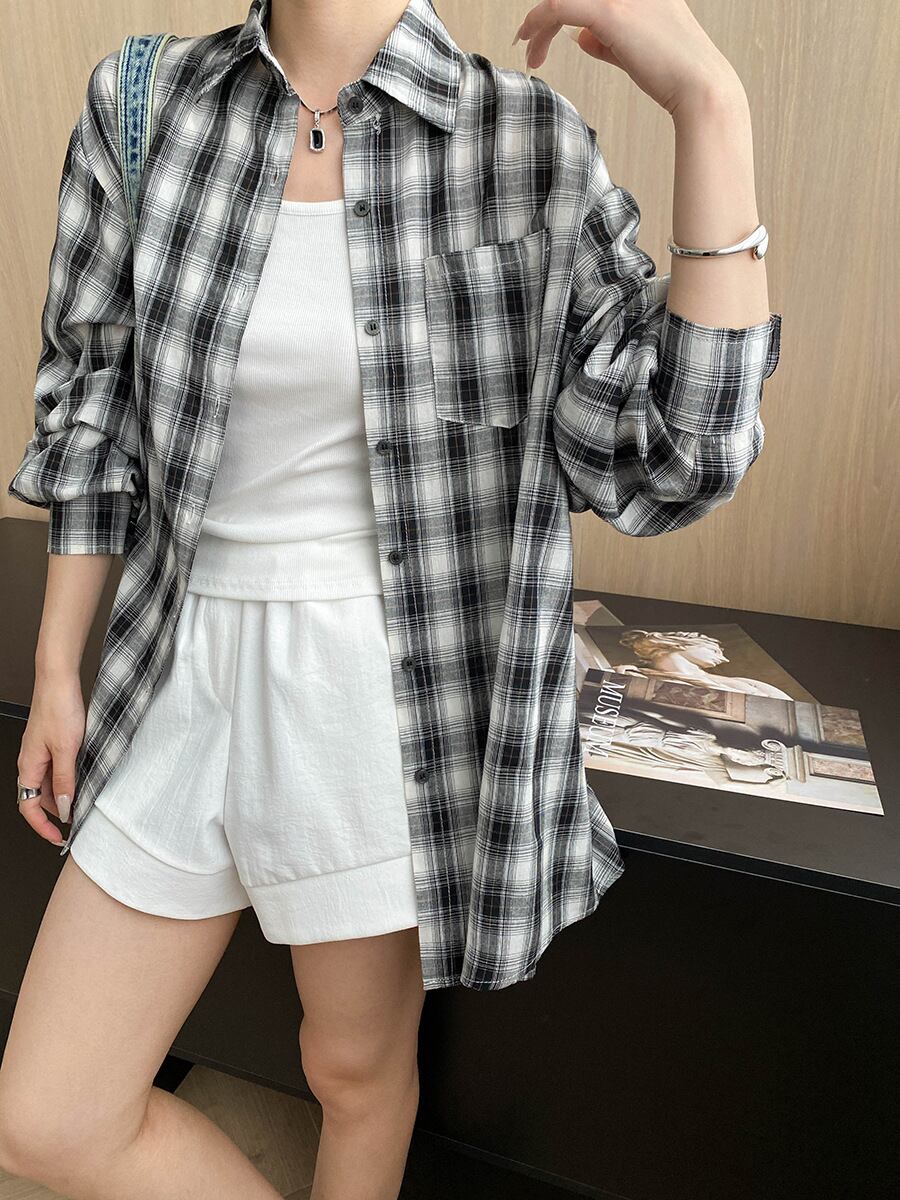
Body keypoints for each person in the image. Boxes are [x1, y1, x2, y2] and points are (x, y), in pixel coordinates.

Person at [0, 1, 782, 1196]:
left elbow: (671, 458)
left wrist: (709, 104)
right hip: (173, 656)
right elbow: (92, 399)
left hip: (385, 692)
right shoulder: (144, 104)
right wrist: (60, 667)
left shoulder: (522, 141)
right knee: (47, 1120)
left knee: (354, 1072)